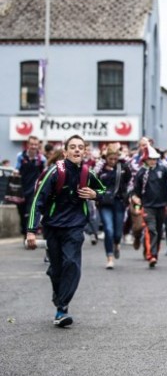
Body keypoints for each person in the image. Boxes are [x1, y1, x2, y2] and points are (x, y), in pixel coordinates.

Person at [26, 135, 106, 327]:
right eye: (73, 147)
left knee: (71, 264)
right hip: (52, 227)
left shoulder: (88, 173)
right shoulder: (55, 172)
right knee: (57, 270)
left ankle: (62, 309)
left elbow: (105, 191)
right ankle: (58, 292)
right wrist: (31, 230)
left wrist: (95, 194)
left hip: (75, 226)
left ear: (85, 151)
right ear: (65, 152)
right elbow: (38, 201)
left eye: (81, 147)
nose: (77, 150)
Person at [132, 144, 167, 268]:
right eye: (150, 158)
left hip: (162, 205)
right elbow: (136, 190)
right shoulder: (141, 173)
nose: (152, 161)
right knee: (151, 230)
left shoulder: (164, 168)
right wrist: (135, 198)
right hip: (148, 206)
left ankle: (154, 253)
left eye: (154, 158)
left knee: (159, 231)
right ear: (145, 159)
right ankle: (152, 255)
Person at [97, 144, 131, 269]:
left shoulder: (122, 168)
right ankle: (109, 257)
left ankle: (117, 243)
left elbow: (129, 180)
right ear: (106, 158)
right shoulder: (100, 169)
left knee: (117, 232)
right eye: (110, 159)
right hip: (105, 203)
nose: (112, 161)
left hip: (119, 202)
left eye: (115, 159)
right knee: (108, 229)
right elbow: (94, 182)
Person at [14, 135, 46, 237]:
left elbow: (44, 173)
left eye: (36, 144)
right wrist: (15, 172)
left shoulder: (42, 159)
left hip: (34, 189)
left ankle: (29, 235)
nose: (33, 146)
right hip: (21, 189)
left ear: (38, 145)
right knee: (22, 213)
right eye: (32, 144)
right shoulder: (21, 156)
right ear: (28, 144)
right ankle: (24, 231)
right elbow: (16, 169)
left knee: (30, 212)